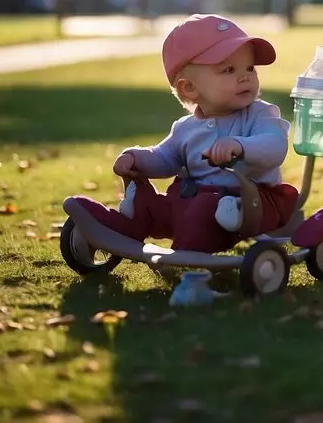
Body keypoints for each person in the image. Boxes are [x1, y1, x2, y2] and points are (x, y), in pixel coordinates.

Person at [67, 14, 299, 253]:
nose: (245, 76)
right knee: (155, 204)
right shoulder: (185, 128)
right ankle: (123, 225)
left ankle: (186, 258)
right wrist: (136, 158)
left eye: (250, 68)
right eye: (229, 70)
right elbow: (164, 158)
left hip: (248, 204)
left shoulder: (260, 114)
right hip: (192, 201)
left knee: (202, 212)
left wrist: (240, 146)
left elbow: (275, 145)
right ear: (189, 88)